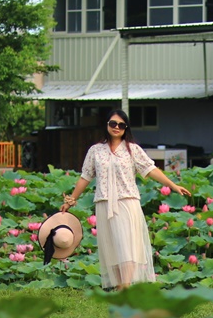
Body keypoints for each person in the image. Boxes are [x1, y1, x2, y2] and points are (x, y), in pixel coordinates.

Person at [60, 109, 192, 290]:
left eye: (121, 125)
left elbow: (150, 169)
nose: (116, 127)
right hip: (104, 203)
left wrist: (173, 185)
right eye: (113, 123)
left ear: (126, 128)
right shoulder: (95, 151)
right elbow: (86, 176)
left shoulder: (133, 150)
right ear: (106, 125)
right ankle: (119, 285)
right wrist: (71, 200)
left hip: (127, 202)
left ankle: (125, 286)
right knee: (112, 246)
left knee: (127, 246)